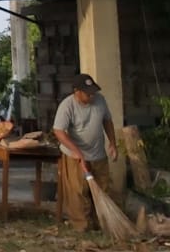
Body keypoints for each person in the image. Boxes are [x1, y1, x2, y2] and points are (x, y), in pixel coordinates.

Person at [52, 73, 119, 231]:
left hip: (98, 154)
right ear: (77, 91)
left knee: (103, 188)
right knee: (78, 191)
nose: (92, 96)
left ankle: (101, 223)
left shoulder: (100, 100)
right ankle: (81, 225)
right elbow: (59, 131)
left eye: (93, 92)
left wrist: (112, 143)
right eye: (88, 93)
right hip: (74, 156)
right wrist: (77, 152)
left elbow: (107, 120)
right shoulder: (67, 105)